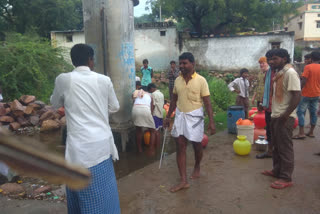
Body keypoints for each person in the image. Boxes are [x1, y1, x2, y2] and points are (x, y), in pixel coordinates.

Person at [50, 44, 121, 213]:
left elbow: (55, 104)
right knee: (104, 196)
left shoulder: (64, 79)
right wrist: (99, 113)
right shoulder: (104, 80)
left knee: (80, 194)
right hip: (102, 147)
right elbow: (115, 107)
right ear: (90, 60)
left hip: (79, 149)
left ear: (73, 61)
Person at [164, 52, 216, 193]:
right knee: (180, 146)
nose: (182, 66)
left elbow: (207, 103)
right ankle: (183, 180)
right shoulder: (177, 80)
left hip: (195, 117)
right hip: (180, 115)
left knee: (197, 146)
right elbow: (174, 100)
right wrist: (168, 116)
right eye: (180, 63)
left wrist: (211, 121)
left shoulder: (201, 80)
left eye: (185, 63)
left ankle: (197, 165)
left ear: (193, 64)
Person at [261, 48, 301, 189]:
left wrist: (285, 115)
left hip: (285, 116)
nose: (271, 62)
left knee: (284, 147)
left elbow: (297, 96)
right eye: (270, 59)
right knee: (276, 146)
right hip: (276, 114)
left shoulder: (290, 73)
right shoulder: (279, 73)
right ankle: (277, 170)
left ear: (284, 58)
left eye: (275, 59)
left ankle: (286, 177)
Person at [293, 51, 320, 139]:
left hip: (306, 94)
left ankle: (301, 133)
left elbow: (304, 80)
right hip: (317, 94)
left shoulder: (308, 67)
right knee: (314, 113)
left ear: (311, 58)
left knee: (300, 112)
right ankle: (311, 132)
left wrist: (298, 90)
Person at [256, 50, 276, 159]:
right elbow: (263, 88)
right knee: (269, 129)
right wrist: (262, 102)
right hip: (267, 104)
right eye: (269, 60)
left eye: (263, 63)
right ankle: (270, 151)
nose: (271, 62)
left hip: (277, 108)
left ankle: (276, 152)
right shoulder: (266, 73)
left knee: (275, 131)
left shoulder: (280, 73)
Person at [132, 85, 156, 154]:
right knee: (153, 130)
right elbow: (152, 107)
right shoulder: (150, 95)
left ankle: (139, 149)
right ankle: (151, 149)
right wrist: (149, 117)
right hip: (145, 109)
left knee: (138, 130)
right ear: (147, 90)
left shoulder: (136, 93)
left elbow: (133, 102)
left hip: (135, 109)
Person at [148, 83, 164, 148]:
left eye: (150, 91)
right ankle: (157, 147)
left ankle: (151, 148)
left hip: (155, 114)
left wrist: (150, 114)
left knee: (153, 132)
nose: (150, 92)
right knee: (158, 132)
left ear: (151, 88)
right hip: (160, 115)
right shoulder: (161, 94)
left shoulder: (153, 94)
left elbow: (153, 105)